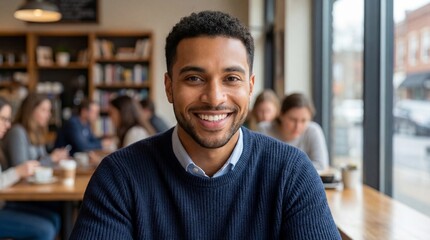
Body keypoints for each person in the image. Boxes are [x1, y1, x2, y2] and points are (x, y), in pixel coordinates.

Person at [70, 11, 340, 239]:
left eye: (231, 78)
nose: (214, 98)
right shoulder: (119, 177)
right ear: (169, 87)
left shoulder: (292, 173)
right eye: (194, 78)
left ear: (250, 87)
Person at [0, 96, 59, 240]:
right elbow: (22, 167)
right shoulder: (18, 132)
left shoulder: (35, 132)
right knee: (45, 230)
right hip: (6, 203)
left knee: (54, 218)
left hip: (4, 203)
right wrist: (18, 171)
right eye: (3, 119)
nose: (8, 125)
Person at [258, 93, 329, 170]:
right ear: (281, 115)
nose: (297, 126)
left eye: (303, 120)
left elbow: (321, 165)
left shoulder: (313, 131)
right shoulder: (264, 130)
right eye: (293, 120)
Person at [2, 93, 69, 167]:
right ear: (31, 110)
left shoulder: (37, 132)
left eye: (49, 111)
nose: (49, 115)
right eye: (44, 110)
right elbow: (22, 168)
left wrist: (56, 157)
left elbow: (42, 161)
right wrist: (52, 158)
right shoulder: (17, 131)